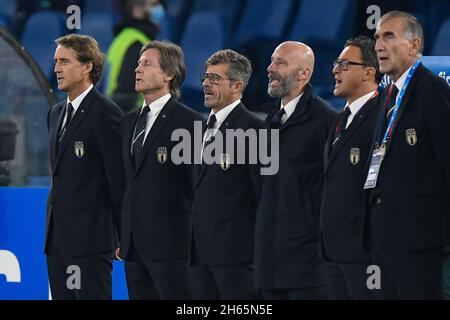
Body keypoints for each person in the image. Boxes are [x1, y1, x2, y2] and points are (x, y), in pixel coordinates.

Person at [365, 11, 450, 299]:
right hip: (386, 238)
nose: (378, 45)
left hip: (419, 241)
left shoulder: (433, 90)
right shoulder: (386, 96)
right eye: (377, 37)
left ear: (414, 46)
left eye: (389, 36)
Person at [119, 40, 203, 299]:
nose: (137, 69)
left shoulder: (190, 122)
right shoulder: (129, 120)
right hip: (133, 245)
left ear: (169, 74)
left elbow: (197, 187)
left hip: (173, 245)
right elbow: (127, 181)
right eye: (138, 64)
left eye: (146, 64)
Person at [255, 41, 337, 300]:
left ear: (304, 73)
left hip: (308, 268)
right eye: (271, 60)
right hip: (269, 265)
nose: (270, 68)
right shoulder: (271, 121)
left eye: (281, 62)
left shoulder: (326, 121)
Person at [45, 34, 124, 300]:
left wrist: (124, 234)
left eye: (64, 61)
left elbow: (118, 179)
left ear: (87, 66)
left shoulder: (106, 114)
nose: (56, 68)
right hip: (57, 240)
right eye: (56, 61)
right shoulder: (55, 112)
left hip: (90, 241)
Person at [190, 49, 263, 299]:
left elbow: (262, 196)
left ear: (237, 86)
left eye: (216, 79)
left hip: (236, 256)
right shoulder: (198, 128)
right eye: (206, 77)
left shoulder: (255, 130)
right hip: (199, 255)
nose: (206, 84)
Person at [320, 35, 382, 299]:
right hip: (333, 251)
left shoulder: (383, 115)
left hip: (364, 253)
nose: (335, 70)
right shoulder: (339, 118)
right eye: (336, 63)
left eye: (345, 64)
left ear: (369, 71)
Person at [106, 0, 163, 112]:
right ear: (137, 10)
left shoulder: (122, 37)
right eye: (153, 5)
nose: (159, 9)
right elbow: (126, 95)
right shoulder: (138, 44)